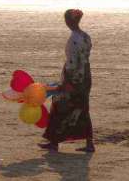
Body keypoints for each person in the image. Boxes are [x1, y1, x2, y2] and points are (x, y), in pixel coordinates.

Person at [40, 9, 94, 153]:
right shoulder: (86, 36)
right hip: (86, 75)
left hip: (74, 78)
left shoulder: (73, 41)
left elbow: (72, 63)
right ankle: (89, 143)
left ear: (68, 22)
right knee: (83, 108)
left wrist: (66, 83)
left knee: (59, 104)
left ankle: (53, 142)